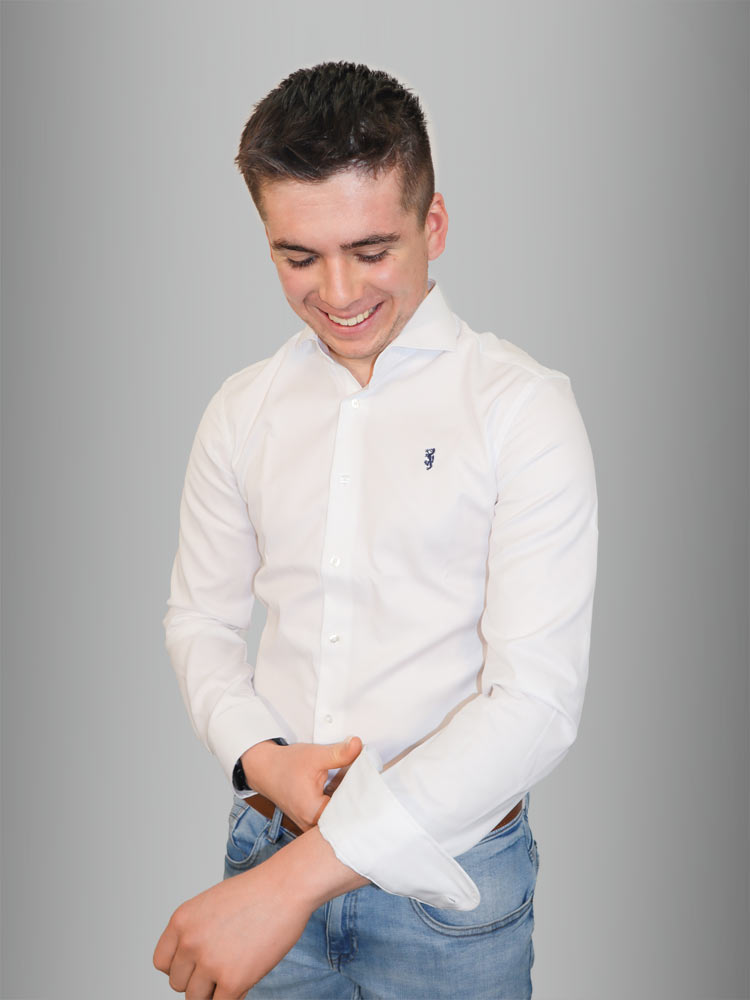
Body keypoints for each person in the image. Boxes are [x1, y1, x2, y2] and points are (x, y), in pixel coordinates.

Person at [153, 61, 598, 1000]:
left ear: (433, 226)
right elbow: (200, 623)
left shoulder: (521, 410)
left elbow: (535, 706)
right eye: (298, 257)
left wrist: (288, 887)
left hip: (450, 889)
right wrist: (261, 760)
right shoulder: (241, 411)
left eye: (371, 249)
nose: (338, 290)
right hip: (267, 840)